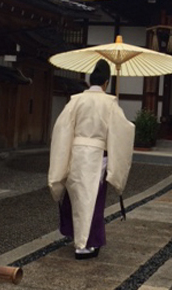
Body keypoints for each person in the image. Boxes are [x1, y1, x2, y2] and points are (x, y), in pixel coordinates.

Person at [48, 59, 135, 260]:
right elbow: (123, 131)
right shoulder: (109, 103)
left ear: (90, 81)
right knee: (94, 200)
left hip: (76, 154)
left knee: (75, 197)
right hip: (97, 157)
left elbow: (62, 129)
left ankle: (77, 239)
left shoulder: (75, 100)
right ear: (106, 82)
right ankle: (86, 245)